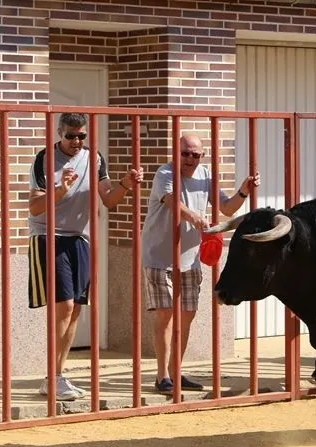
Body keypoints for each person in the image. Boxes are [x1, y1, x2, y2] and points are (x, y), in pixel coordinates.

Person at [27, 112, 143, 401]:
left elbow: (108, 199)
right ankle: (52, 377)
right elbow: (35, 207)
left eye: (81, 136)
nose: (76, 141)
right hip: (49, 236)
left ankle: (57, 376)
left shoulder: (95, 158)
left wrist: (125, 184)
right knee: (64, 306)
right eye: (71, 136)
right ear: (59, 133)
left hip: (80, 238)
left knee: (76, 308)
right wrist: (60, 191)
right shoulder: (44, 159)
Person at [142, 134, 260, 395]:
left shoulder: (205, 175)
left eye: (195, 155)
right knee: (165, 314)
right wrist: (195, 217)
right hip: (159, 257)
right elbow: (172, 202)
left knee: (186, 316)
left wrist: (244, 191)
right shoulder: (165, 173)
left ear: (202, 156)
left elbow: (227, 208)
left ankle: (175, 372)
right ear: (176, 152)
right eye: (185, 153)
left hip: (190, 259)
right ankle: (162, 376)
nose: (190, 159)